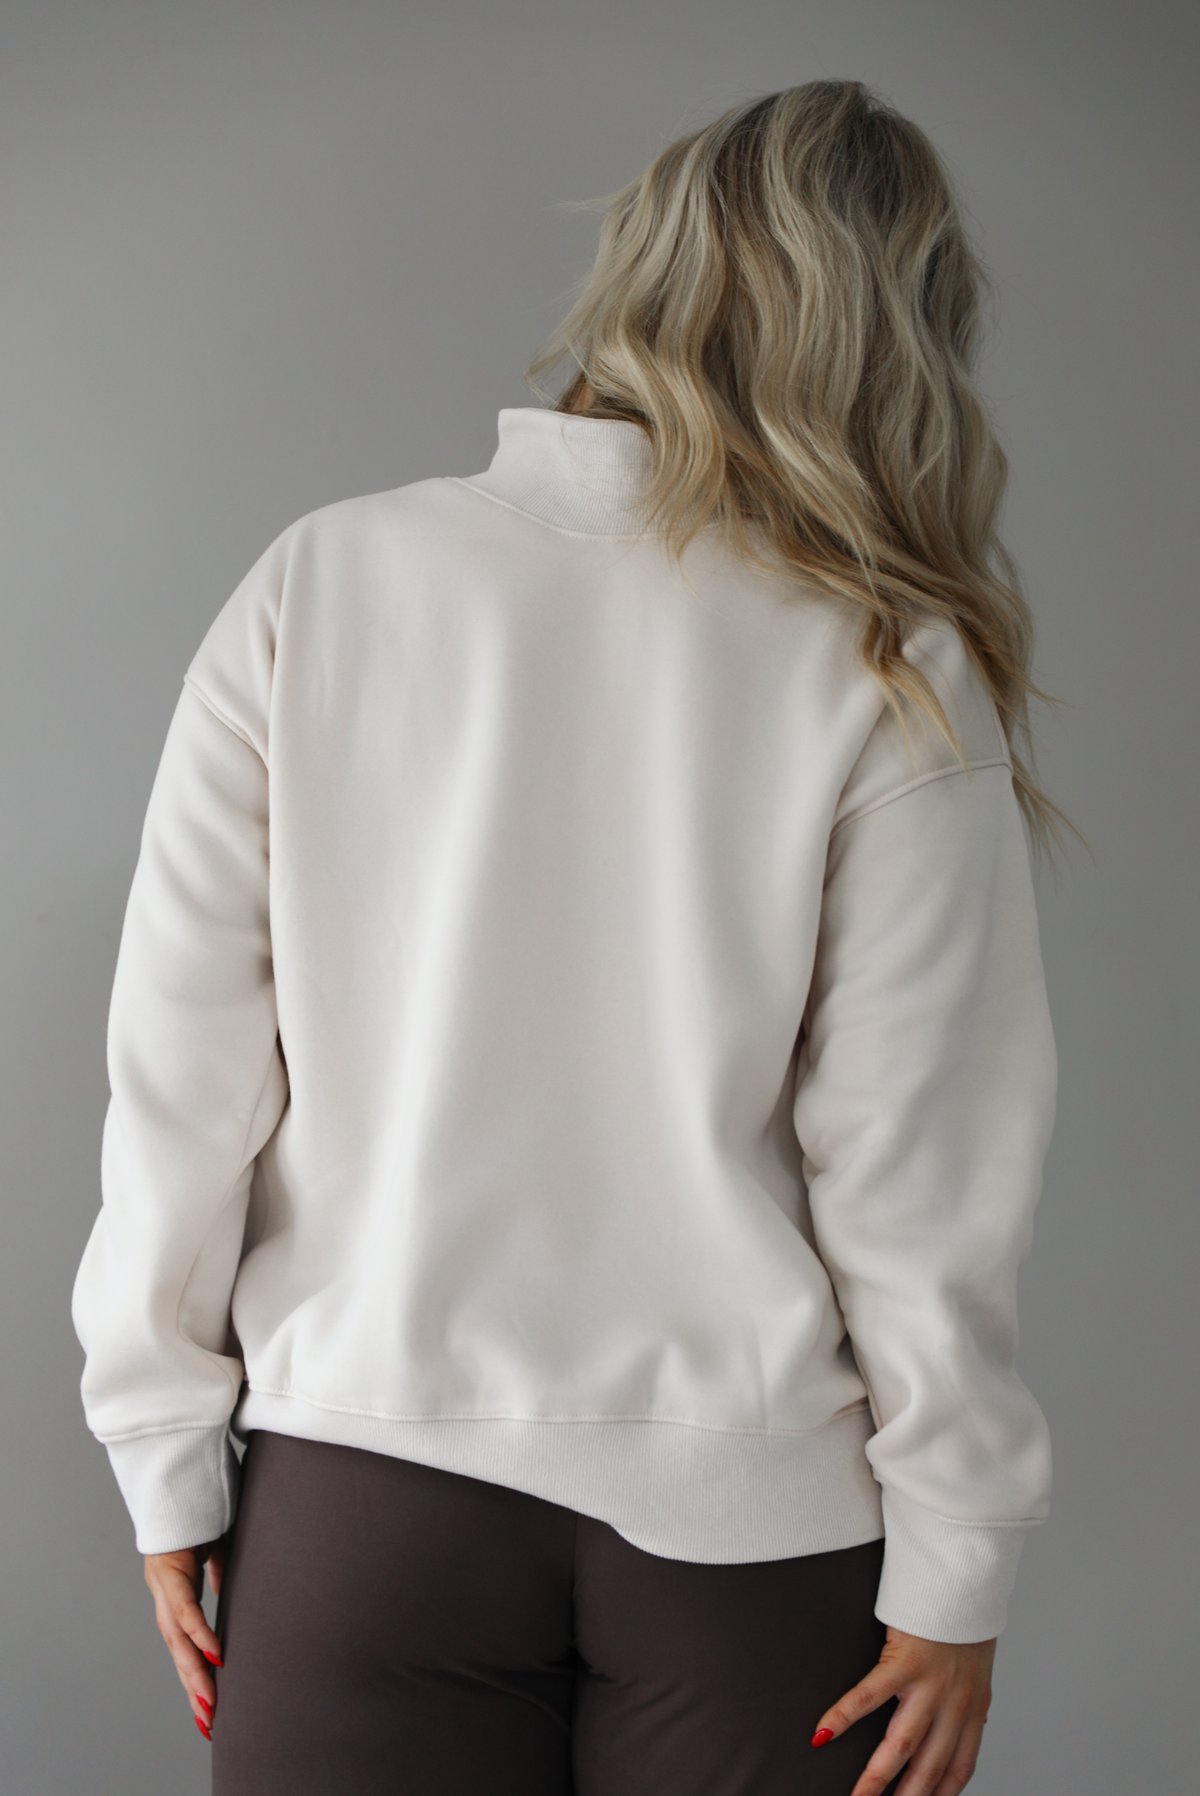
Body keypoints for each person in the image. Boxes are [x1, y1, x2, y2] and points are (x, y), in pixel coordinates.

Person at [71, 78, 1063, 1796]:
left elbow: (183, 1077)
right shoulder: (888, 660)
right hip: (751, 1534)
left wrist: (164, 1445)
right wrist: (960, 1556)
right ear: (895, 343)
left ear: (638, 278)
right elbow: (919, 1160)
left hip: (364, 1497)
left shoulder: (326, 582)